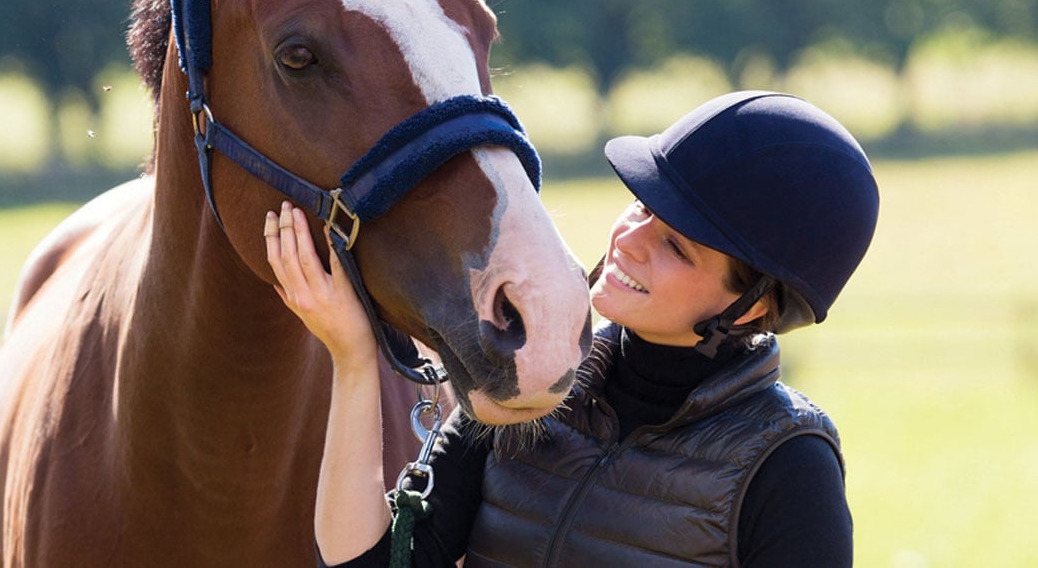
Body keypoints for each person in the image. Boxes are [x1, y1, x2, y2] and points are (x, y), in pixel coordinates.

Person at [263, 91, 879, 567]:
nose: (628, 242)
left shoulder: (789, 465)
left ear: (748, 308)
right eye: (642, 206)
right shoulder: (529, 384)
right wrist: (352, 356)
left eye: (675, 246)